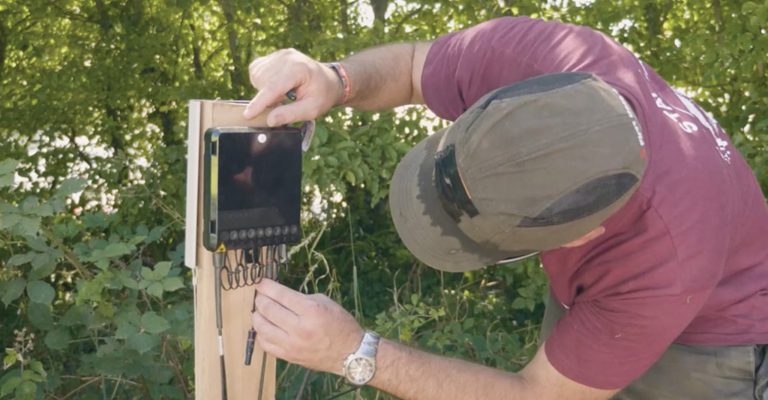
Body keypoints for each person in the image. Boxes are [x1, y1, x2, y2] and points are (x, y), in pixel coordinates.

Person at [243, 16, 768, 400]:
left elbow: (539, 397)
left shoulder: (659, 265)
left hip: (711, 344)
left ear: (581, 237)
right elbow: (409, 65)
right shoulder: (543, 58)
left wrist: (354, 352)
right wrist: (337, 79)